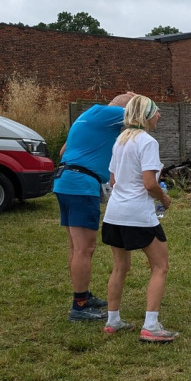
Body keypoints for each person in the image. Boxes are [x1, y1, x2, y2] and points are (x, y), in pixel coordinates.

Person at [101, 95, 178, 342]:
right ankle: (151, 326)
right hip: (138, 216)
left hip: (114, 214)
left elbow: (113, 181)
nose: (159, 116)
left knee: (120, 266)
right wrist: (163, 198)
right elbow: (149, 183)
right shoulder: (148, 142)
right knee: (160, 266)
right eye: (156, 112)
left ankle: (112, 321)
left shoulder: (119, 141)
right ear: (146, 116)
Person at [55, 91, 136, 321]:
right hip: (81, 185)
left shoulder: (89, 115)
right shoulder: (113, 113)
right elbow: (142, 116)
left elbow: (63, 151)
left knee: (75, 247)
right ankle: (79, 306)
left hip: (65, 181)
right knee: (85, 248)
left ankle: (83, 295)